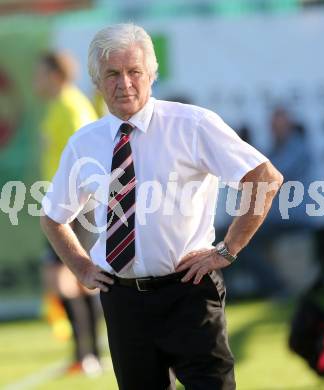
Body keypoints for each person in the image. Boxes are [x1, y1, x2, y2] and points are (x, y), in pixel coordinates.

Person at [40, 24, 283, 390]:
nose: (125, 83)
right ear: (96, 81)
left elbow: (265, 177)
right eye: (112, 74)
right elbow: (53, 217)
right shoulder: (84, 143)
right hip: (122, 302)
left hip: (190, 293)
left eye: (134, 71)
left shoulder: (192, 124)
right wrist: (82, 267)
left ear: (151, 74)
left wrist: (228, 250)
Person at [34, 52, 102, 375]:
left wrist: (73, 203)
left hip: (75, 206)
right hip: (58, 204)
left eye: (40, 74)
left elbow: (86, 159)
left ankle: (89, 354)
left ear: (55, 75)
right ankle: (85, 354)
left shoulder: (72, 106)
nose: (35, 80)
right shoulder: (56, 106)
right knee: (67, 280)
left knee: (73, 278)